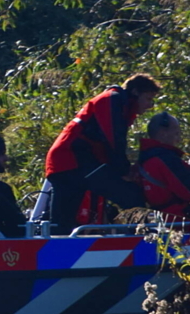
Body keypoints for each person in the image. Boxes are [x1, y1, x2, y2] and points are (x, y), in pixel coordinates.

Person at [44, 73, 161, 234]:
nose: (150, 105)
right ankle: (141, 241)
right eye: (148, 98)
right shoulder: (113, 99)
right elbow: (114, 139)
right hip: (74, 160)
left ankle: (55, 254)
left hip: (63, 162)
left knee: (62, 223)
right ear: (135, 92)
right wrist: (124, 171)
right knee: (131, 196)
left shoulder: (117, 102)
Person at [137, 112, 190, 219]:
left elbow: (180, 183)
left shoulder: (148, 156)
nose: (179, 138)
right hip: (180, 218)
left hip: (165, 217)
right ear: (163, 133)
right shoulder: (164, 158)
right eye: (176, 133)